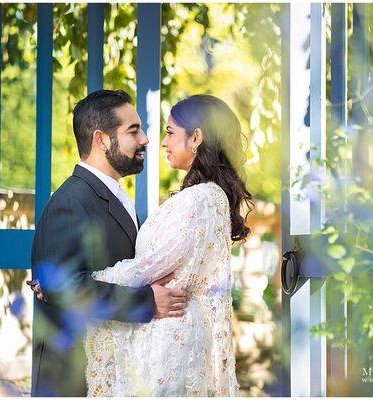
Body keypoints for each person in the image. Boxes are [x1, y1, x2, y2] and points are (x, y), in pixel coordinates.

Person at [83, 94, 253, 396]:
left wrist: (74, 283)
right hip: (174, 331)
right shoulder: (206, 196)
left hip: (172, 338)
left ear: (196, 138)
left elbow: (149, 268)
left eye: (171, 132)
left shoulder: (201, 199)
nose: (161, 142)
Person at [28, 89, 188, 397]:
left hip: (111, 372)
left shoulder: (112, 195)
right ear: (101, 139)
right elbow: (62, 286)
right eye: (133, 131)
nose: (145, 139)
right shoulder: (70, 202)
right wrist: (147, 302)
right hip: (72, 379)